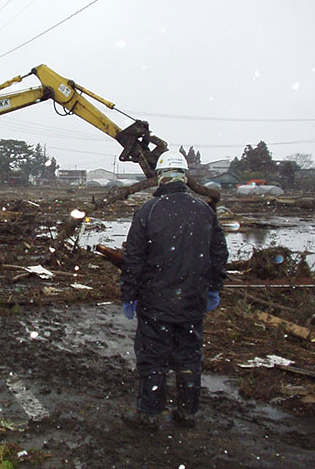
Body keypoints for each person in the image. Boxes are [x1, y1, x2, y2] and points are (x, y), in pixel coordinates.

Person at [120, 150, 228, 430]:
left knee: (153, 357)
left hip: (155, 302)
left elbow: (133, 259)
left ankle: (149, 415)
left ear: (161, 177)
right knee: (189, 357)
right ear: (184, 176)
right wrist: (214, 288)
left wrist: (129, 295)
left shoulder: (148, 211)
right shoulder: (204, 210)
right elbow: (219, 254)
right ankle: (187, 412)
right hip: (192, 302)